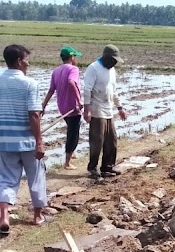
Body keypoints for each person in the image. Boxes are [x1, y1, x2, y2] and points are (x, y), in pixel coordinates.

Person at [0, 45, 47, 235]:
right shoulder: (29, 84)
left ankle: (4, 215)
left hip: (4, 140)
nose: (29, 63)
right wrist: (39, 141)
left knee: (6, 178)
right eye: (27, 59)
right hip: (27, 141)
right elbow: (34, 115)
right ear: (19, 61)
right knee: (36, 176)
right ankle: (37, 216)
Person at [83, 45, 126, 179]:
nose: (114, 63)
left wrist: (120, 108)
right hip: (96, 109)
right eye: (113, 60)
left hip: (108, 109)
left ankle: (108, 166)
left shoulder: (112, 71)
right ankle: (93, 168)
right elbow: (87, 90)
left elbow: (113, 91)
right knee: (97, 140)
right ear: (106, 57)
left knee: (111, 140)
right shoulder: (93, 68)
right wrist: (87, 110)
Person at [41, 46, 83, 169]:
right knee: (73, 133)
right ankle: (67, 162)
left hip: (62, 106)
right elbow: (71, 82)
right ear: (71, 57)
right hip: (72, 107)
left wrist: (43, 106)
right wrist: (79, 101)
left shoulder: (56, 71)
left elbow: (51, 90)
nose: (75, 59)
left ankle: (72, 152)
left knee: (71, 128)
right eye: (74, 56)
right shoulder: (73, 69)